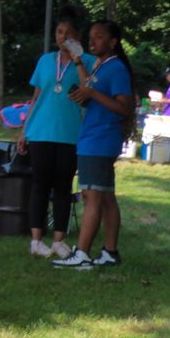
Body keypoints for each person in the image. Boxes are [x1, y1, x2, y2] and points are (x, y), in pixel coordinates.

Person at [54, 19, 135, 269]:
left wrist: (92, 95)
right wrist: (78, 62)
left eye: (99, 37)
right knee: (106, 197)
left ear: (113, 42)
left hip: (100, 139)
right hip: (94, 137)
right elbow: (91, 88)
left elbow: (124, 107)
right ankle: (110, 251)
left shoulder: (117, 68)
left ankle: (82, 253)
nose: (93, 41)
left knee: (92, 197)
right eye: (91, 37)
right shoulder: (102, 65)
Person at [14, 10, 87, 258]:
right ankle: (36, 240)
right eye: (59, 32)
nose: (62, 36)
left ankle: (58, 240)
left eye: (68, 32)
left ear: (77, 36)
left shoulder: (85, 62)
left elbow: (90, 91)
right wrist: (25, 130)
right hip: (40, 131)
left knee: (63, 187)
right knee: (39, 186)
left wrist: (78, 58)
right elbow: (36, 97)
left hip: (69, 133)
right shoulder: (46, 61)